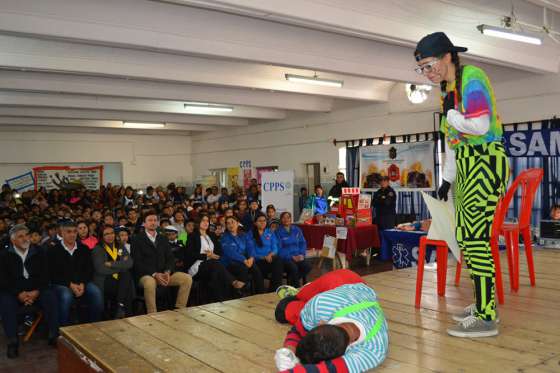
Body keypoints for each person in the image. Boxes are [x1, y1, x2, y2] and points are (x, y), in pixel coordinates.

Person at [414, 32, 509, 337]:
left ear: (447, 56)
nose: (428, 73)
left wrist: (452, 115)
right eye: (422, 69)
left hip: (485, 159)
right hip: (467, 163)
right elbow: (453, 144)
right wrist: (446, 180)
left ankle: (487, 316)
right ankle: (484, 303)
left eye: (429, 65)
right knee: (466, 238)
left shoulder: (472, 77)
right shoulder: (448, 89)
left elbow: (479, 125)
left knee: (476, 238)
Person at [273, 269, 388, 372]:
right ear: (321, 323)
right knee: (300, 298)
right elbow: (298, 330)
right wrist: (288, 350)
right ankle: (303, 292)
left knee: (282, 312)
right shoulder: (319, 304)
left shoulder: (375, 350)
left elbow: (330, 369)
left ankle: (303, 297)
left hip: (347, 293)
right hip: (341, 281)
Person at [0, 224, 59, 358]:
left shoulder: (39, 251)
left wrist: (36, 291)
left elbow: (46, 275)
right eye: (20, 236)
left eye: (26, 235)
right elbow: (3, 281)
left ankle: (53, 335)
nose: (25, 238)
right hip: (15, 292)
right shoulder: (4, 255)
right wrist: (18, 294)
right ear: (13, 240)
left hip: (37, 289)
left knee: (51, 296)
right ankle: (13, 342)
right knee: (5, 301)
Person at [131, 211, 193, 314]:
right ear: (144, 223)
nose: (153, 222)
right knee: (150, 283)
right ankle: (152, 313)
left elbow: (170, 258)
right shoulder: (137, 239)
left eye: (155, 220)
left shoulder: (163, 238)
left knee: (187, 278)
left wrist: (167, 271)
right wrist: (155, 274)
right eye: (150, 220)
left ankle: (180, 309)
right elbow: (138, 262)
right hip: (146, 275)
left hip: (164, 274)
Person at [48, 220, 103, 326]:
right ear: (62, 233)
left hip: (82, 282)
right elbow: (53, 274)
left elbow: (89, 270)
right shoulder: (53, 251)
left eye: (74, 231)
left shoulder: (84, 249)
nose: (72, 234)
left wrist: (82, 283)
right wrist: (70, 284)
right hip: (62, 283)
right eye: (68, 232)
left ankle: (94, 326)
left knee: (96, 293)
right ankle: (62, 330)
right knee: (66, 295)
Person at [185, 214, 244, 302]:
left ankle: (219, 300)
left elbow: (219, 251)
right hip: (197, 266)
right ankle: (233, 283)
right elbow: (190, 254)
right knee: (215, 265)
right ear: (198, 222)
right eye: (203, 220)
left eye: (207, 221)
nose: (206, 222)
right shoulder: (192, 236)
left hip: (212, 265)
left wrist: (215, 255)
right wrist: (207, 256)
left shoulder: (211, 235)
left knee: (217, 269)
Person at [91, 225, 134, 319]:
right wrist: (122, 265)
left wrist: (111, 264)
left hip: (120, 278)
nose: (110, 236)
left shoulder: (120, 246)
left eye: (112, 233)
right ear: (101, 236)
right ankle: (124, 310)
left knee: (126, 276)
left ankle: (119, 306)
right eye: (106, 234)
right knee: (126, 277)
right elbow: (101, 269)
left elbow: (130, 263)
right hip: (105, 279)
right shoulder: (98, 249)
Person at [220, 216, 264, 294]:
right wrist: (244, 260)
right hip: (229, 262)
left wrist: (251, 258)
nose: (230, 225)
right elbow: (230, 252)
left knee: (255, 269)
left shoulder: (244, 235)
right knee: (243, 268)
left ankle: (260, 293)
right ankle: (239, 292)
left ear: (237, 224)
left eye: (232, 222)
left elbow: (250, 247)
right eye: (228, 223)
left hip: (245, 260)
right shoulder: (224, 237)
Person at [251, 213, 284, 292]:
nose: (262, 222)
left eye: (264, 221)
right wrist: (263, 257)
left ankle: (273, 290)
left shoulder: (270, 232)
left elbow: (275, 248)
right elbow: (251, 252)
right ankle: (263, 292)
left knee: (278, 260)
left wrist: (270, 254)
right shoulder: (250, 234)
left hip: (269, 259)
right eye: (260, 221)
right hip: (258, 261)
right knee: (277, 263)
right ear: (255, 223)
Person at [276, 212, 311, 287]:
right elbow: (279, 249)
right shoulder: (278, 232)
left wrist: (302, 254)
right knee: (294, 268)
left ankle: (292, 282)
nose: (286, 219)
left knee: (308, 266)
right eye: (284, 218)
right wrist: (291, 257)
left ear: (291, 219)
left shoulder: (297, 229)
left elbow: (302, 243)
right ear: (281, 219)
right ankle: (296, 288)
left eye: (288, 217)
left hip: (298, 255)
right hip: (286, 258)